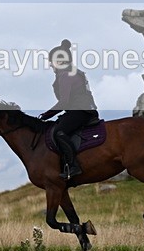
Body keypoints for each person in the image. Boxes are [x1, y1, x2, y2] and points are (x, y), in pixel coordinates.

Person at [39, 39, 99, 180]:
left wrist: (47, 114)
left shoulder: (65, 75)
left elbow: (64, 101)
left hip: (80, 111)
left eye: (51, 61)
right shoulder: (72, 72)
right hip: (81, 110)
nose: (50, 64)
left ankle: (73, 166)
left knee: (59, 133)